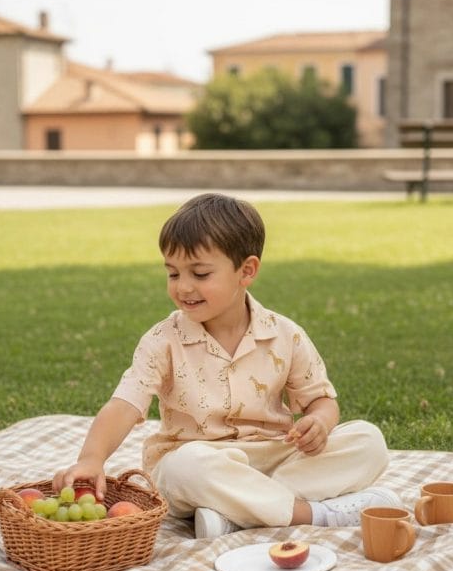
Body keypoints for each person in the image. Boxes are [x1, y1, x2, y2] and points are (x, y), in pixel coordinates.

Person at [53, 193, 401, 538]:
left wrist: (320, 422)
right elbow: (124, 404)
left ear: (246, 271)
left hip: (274, 459)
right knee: (184, 467)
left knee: (368, 441)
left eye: (200, 274)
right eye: (173, 274)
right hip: (197, 465)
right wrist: (92, 458)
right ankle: (312, 514)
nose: (183, 287)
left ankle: (236, 513)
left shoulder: (285, 334)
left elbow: (321, 401)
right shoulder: (163, 340)